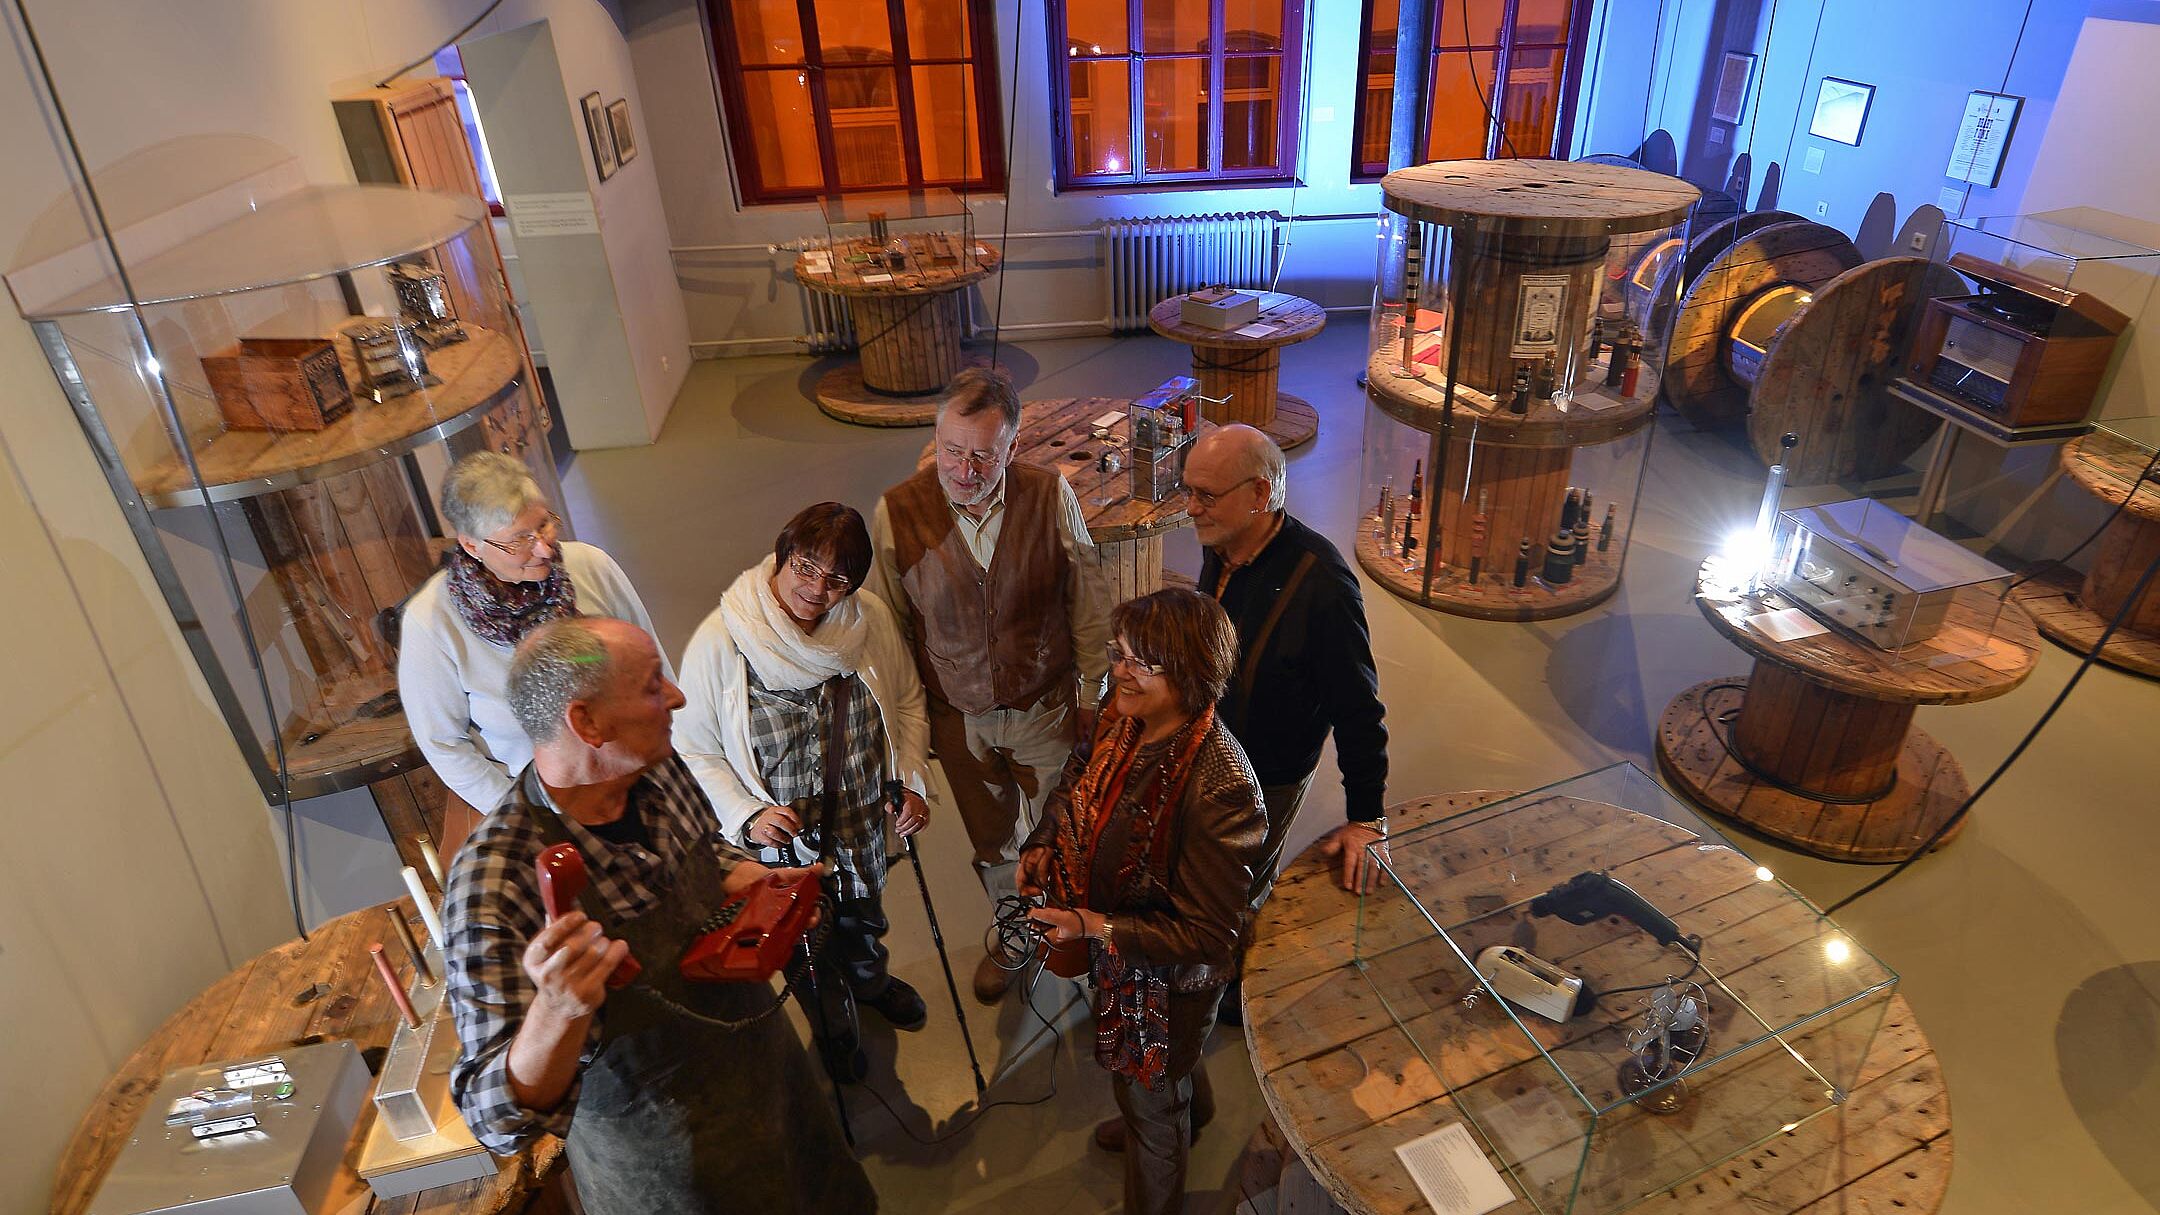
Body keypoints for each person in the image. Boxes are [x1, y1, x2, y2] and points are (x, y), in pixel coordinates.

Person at [441, 616, 874, 1214]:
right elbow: (493, 1121)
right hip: (669, 1176)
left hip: (772, 1091)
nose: (676, 696)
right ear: (587, 722)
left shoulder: (655, 766)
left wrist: (741, 874)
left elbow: (702, 848)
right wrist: (556, 1010)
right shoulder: (493, 884)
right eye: (651, 685)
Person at [866, 366, 1112, 1004]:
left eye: (983, 454)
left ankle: (1074, 932)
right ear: (935, 435)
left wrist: (1092, 695)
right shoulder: (896, 512)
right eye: (952, 449)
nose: (964, 469)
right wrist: (909, 736)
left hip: (1046, 706)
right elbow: (890, 630)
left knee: (1069, 829)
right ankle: (1016, 934)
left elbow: (1087, 602)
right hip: (958, 719)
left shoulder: (1050, 496)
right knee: (993, 842)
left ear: (1012, 445)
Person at [1020, 589, 1265, 1215]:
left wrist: (1094, 926)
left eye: (1140, 662)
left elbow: (1208, 935)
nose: (1119, 673)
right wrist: (1047, 838)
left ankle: (1160, 1132)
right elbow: (1078, 771)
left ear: (1188, 675)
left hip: (1168, 979)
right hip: (1119, 948)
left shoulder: (1220, 787)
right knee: (1167, 1078)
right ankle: (1191, 1105)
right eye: (1119, 654)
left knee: (1150, 1108)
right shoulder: (1123, 712)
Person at [673, 502, 933, 1082]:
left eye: (837, 578)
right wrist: (747, 814)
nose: (816, 588)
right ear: (784, 555)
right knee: (806, 951)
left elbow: (909, 704)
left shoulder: (868, 622)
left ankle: (871, 984)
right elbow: (691, 747)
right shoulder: (724, 638)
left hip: (860, 825)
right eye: (806, 567)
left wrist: (912, 782)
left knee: (864, 921)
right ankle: (835, 1028)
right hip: (782, 847)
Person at [1181, 425, 1390, 1016]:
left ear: (1260, 494)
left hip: (1266, 773)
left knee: (1239, 886)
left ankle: (1225, 986)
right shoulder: (1222, 541)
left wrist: (1366, 817)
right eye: (1189, 490)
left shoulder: (1322, 585)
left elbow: (1358, 707)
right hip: (1208, 750)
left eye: (1207, 495)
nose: (1191, 508)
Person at [401, 451, 669, 847]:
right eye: (520, 540)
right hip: (550, 810)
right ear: (472, 545)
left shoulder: (591, 566)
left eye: (544, 525)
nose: (545, 549)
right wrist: (529, 815)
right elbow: (443, 743)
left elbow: (654, 667)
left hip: (645, 776)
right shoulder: (431, 622)